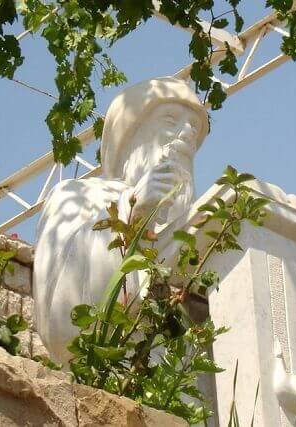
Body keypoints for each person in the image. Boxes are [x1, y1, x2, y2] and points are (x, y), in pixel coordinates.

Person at [33, 77, 209, 363]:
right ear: (129, 136)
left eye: (193, 127)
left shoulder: (190, 222)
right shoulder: (77, 196)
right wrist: (134, 216)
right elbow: (63, 321)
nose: (187, 134)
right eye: (170, 120)